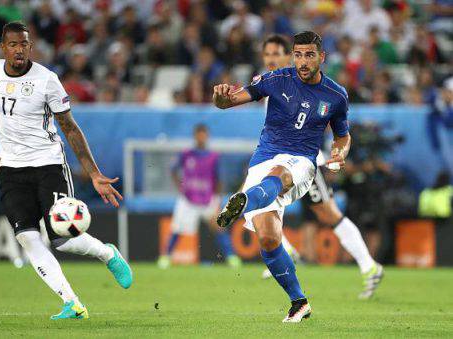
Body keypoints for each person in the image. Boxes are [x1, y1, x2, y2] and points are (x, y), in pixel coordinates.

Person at [0, 22, 132, 320]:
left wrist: (95, 173)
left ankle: (107, 253)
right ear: (3, 48)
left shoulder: (47, 80)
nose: (19, 50)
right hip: (10, 167)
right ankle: (72, 303)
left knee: (64, 238)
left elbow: (70, 128)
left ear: (31, 47)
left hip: (48, 163)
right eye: (12, 45)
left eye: (24, 44)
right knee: (26, 237)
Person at [213, 31, 355, 323]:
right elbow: (231, 101)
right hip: (263, 159)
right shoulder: (275, 80)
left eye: (309, 55)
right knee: (267, 237)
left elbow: (343, 136)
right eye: (298, 54)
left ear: (321, 57)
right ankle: (299, 302)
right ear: (293, 55)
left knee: (281, 174)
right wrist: (221, 99)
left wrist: (340, 153)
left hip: (302, 162)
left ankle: (242, 200)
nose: (303, 61)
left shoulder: (336, 95)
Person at [258, 35, 384, 300]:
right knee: (260, 198)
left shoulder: (303, 83)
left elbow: (325, 123)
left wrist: (334, 152)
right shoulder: (273, 84)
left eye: (276, 54)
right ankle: (288, 248)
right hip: (279, 159)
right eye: (266, 54)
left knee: (327, 213)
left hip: (303, 163)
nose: (270, 59)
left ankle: (369, 266)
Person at [158, 124, 241, 269]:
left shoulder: (213, 157)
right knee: (177, 228)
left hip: (208, 199)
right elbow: (173, 170)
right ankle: (166, 257)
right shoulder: (186, 154)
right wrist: (180, 186)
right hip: (188, 199)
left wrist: (217, 200)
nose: (201, 137)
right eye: (199, 134)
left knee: (219, 227)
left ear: (207, 136)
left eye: (204, 134)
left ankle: (231, 257)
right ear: (195, 136)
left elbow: (219, 180)